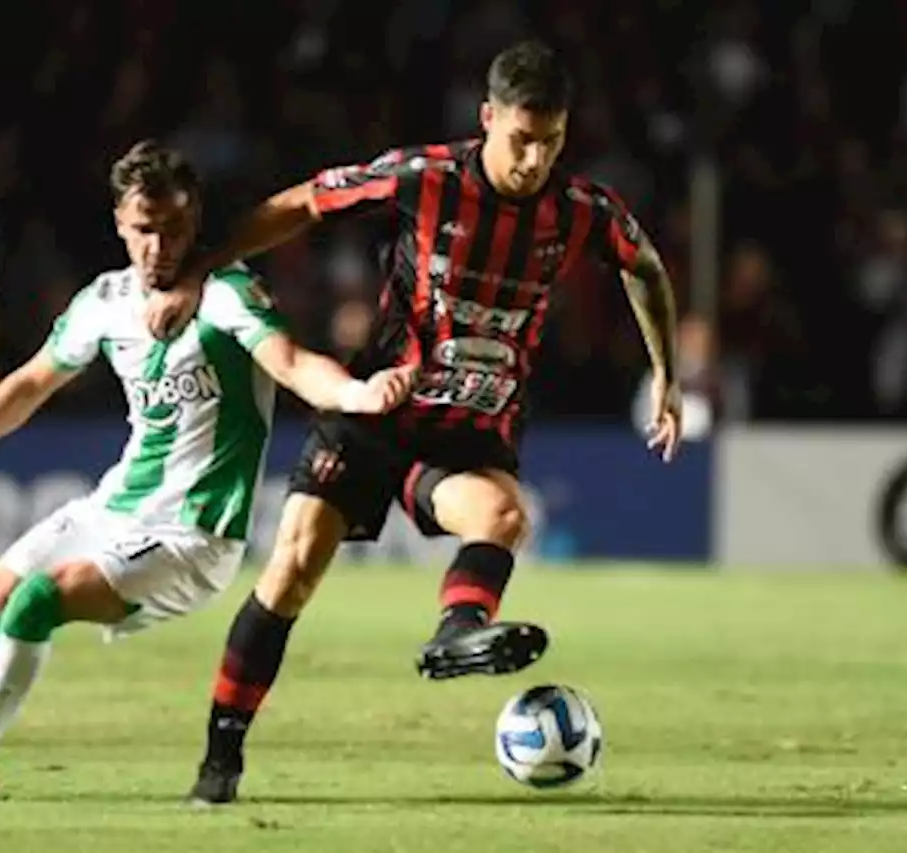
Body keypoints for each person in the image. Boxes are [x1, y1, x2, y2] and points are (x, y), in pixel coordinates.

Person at [143, 39, 685, 804]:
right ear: (488, 117)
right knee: (293, 570)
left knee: (503, 514)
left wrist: (665, 371)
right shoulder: (424, 177)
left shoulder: (581, 211)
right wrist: (199, 268)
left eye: (551, 141)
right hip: (378, 409)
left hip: (472, 435)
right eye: (521, 139)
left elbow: (646, 265)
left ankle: (458, 629)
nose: (534, 159)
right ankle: (220, 757)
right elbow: (301, 202)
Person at [0, 140, 416, 803]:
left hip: (195, 535)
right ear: (118, 224)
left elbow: (294, 364)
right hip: (115, 508)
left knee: (39, 598)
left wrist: (359, 393)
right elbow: (27, 385)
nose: (160, 246)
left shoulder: (227, 294)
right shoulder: (104, 300)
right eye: (144, 230)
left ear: (196, 224)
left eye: (175, 229)